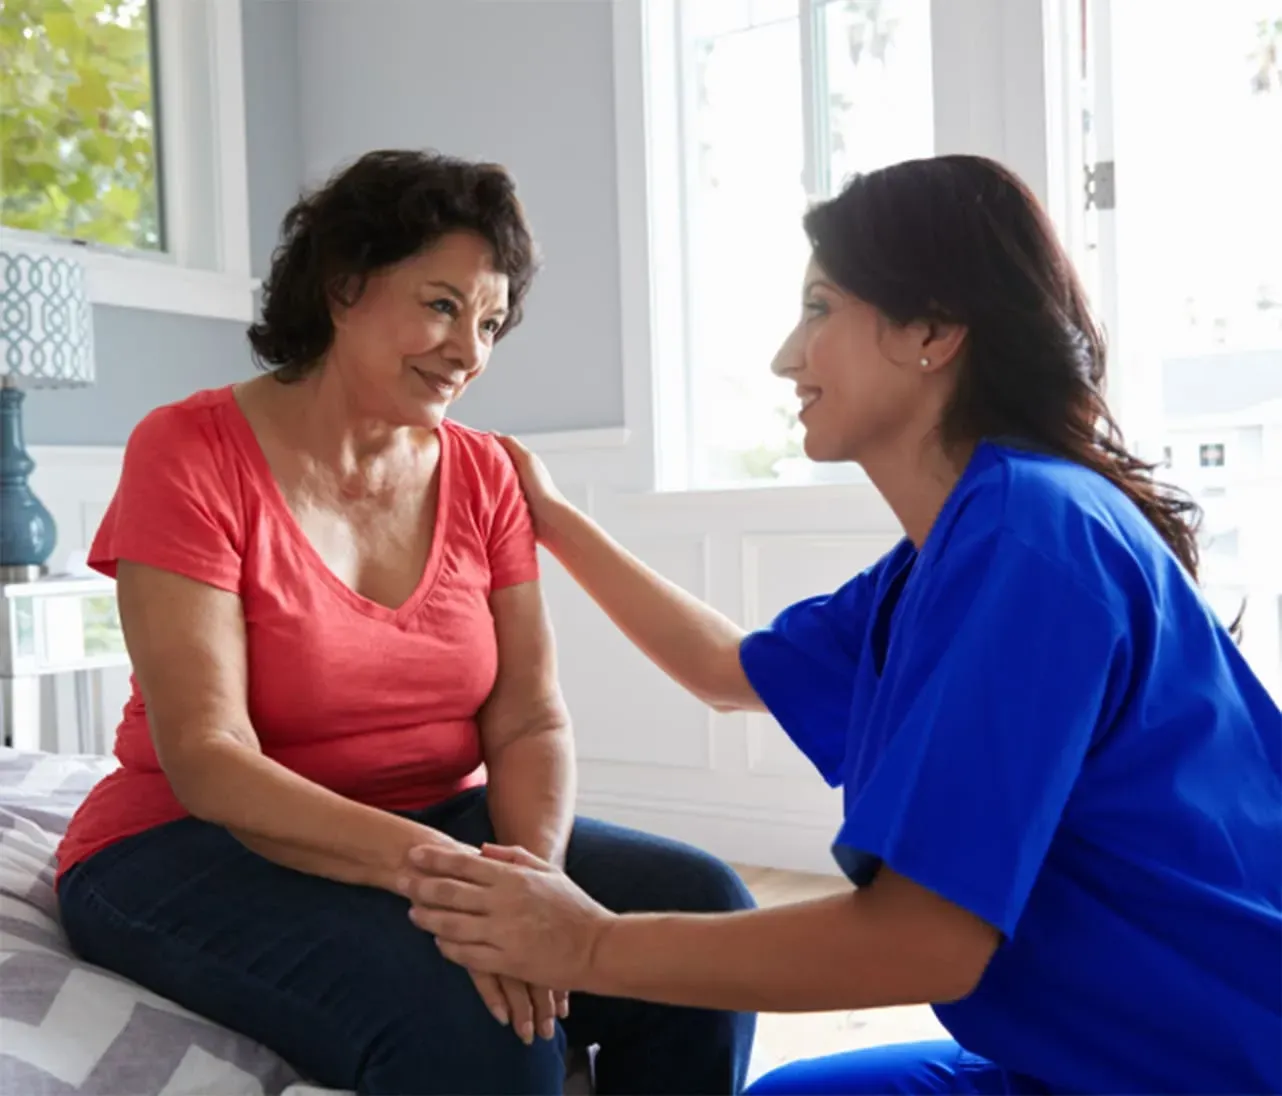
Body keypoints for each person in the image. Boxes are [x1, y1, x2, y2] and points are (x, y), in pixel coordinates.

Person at [402, 155, 1282, 1095]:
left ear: (933, 330)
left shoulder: (1031, 540)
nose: (789, 354)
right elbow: (723, 667)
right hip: (1080, 1053)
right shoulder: (957, 545)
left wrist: (587, 944)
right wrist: (556, 518)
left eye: (820, 308)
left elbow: (922, 943)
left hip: (1211, 1064)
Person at [55, 149, 756, 1096]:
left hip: (434, 821)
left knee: (706, 918)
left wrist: (529, 883)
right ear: (344, 286)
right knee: (481, 1026)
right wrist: (458, 886)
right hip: (188, 844)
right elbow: (209, 754)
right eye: (441, 305)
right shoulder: (188, 450)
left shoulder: (483, 472)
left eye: (493, 322)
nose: (470, 351)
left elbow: (527, 719)